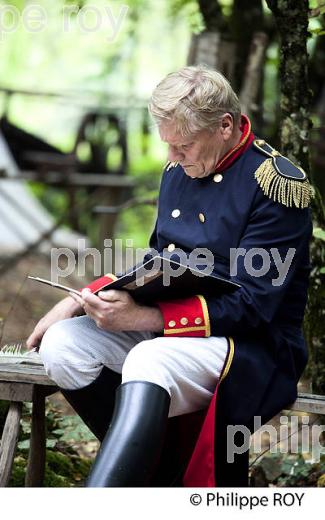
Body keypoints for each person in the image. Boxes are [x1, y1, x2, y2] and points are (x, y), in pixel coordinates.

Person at [27, 66, 312, 487]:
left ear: (225, 126)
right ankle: (156, 475)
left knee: (150, 357)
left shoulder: (275, 185)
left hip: (250, 345)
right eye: (169, 146)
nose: (173, 158)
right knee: (63, 345)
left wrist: (143, 319)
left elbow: (254, 306)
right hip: (177, 335)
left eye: (184, 145)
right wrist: (80, 298)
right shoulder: (179, 169)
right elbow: (159, 263)